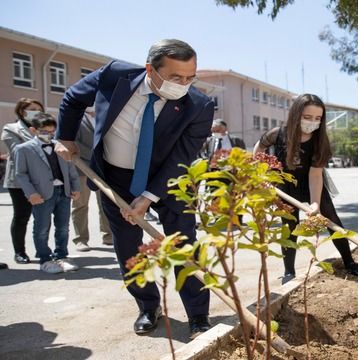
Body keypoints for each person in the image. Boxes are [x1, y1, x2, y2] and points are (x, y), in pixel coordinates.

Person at [54, 39, 214, 339]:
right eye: (176, 77)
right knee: (128, 247)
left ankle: (198, 316)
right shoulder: (115, 76)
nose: (184, 84)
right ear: (150, 69)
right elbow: (73, 99)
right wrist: (66, 136)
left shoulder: (200, 105)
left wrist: (150, 196)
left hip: (169, 180)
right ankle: (148, 306)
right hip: (115, 177)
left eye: (190, 77)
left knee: (183, 245)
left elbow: (182, 157)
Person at [253, 93, 358, 281]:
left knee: (332, 220)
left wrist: (315, 204)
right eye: (307, 117)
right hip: (286, 185)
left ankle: (349, 262)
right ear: (296, 114)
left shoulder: (319, 140)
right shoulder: (278, 133)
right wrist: (261, 174)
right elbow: (259, 149)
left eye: (317, 118)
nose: (312, 122)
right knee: (289, 226)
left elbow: (315, 174)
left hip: (311, 183)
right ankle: (289, 271)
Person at [14, 113, 81, 273]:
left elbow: (70, 168)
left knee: (63, 227)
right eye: (44, 131)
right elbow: (20, 174)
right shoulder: (23, 149)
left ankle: (61, 256)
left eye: (52, 132)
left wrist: (76, 187)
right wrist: (31, 193)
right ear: (33, 130)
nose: (49, 135)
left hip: (63, 192)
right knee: (42, 228)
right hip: (41, 194)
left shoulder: (59, 146)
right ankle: (45, 259)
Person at [1, 98, 44, 264]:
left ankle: (44, 252)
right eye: (32, 109)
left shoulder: (44, 128)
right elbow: (17, 151)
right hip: (20, 181)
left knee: (43, 218)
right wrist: (38, 138)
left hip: (42, 179)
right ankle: (20, 252)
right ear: (22, 111)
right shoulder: (11, 129)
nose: (36, 112)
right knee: (21, 216)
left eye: (38, 109)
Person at [71, 110, 113, 251]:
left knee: (105, 204)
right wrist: (97, 154)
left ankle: (108, 236)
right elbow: (74, 143)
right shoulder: (76, 118)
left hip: (103, 168)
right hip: (82, 168)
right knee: (80, 205)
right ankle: (81, 239)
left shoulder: (106, 114)